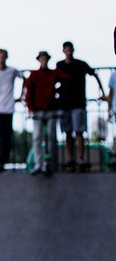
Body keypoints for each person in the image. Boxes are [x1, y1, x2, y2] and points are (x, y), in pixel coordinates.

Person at [55, 41, 106, 172]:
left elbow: (95, 74)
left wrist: (102, 93)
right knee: (67, 133)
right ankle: (71, 159)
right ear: (63, 51)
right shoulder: (59, 65)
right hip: (64, 104)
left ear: (73, 50)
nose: (68, 52)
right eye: (66, 50)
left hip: (78, 103)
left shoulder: (81, 64)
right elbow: (54, 81)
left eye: (70, 50)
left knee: (79, 132)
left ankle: (80, 158)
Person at [24, 51, 60, 176]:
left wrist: (57, 97)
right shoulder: (34, 75)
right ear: (39, 60)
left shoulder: (53, 74)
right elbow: (28, 92)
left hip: (50, 110)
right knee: (37, 137)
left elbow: (65, 80)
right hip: (38, 110)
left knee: (51, 137)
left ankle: (49, 163)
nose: (43, 60)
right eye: (42, 59)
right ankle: (39, 163)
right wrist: (30, 108)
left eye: (45, 58)